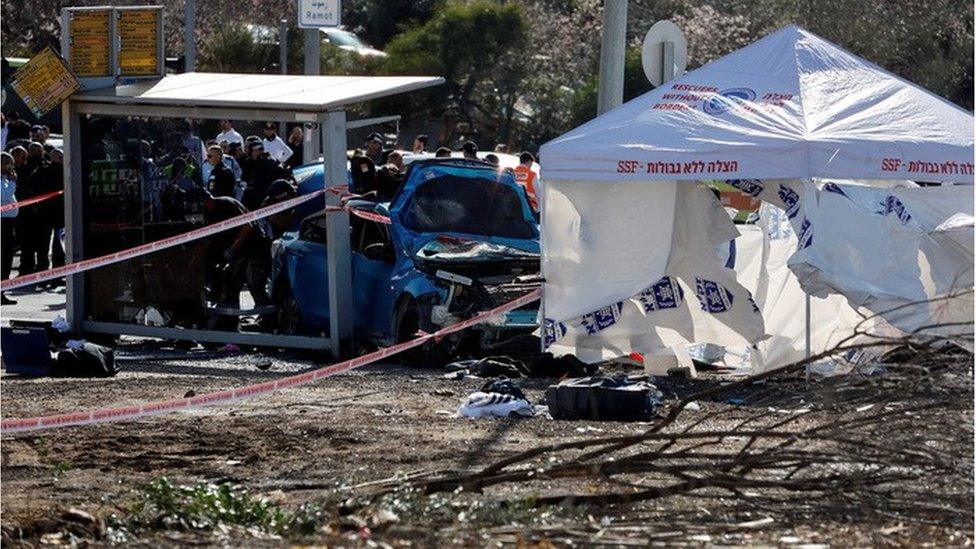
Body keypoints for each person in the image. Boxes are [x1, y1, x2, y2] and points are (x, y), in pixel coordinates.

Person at [201, 190, 272, 325]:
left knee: (254, 281)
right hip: (238, 253)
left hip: (254, 247)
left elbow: (247, 227)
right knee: (230, 284)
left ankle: (269, 322)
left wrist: (233, 248)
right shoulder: (207, 213)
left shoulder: (227, 204)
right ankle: (230, 324)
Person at [240, 141, 288, 210]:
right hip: (269, 198)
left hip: (264, 199)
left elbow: (259, 183)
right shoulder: (251, 162)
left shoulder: (264, 162)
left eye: (260, 150)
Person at [1, 151, 18, 304]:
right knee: (3, 259)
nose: (11, 167)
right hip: (2, 225)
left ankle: (2, 291)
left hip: (9, 223)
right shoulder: (5, 181)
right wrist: (13, 182)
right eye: (9, 163)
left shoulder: (4, 179)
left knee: (7, 260)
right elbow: (4, 195)